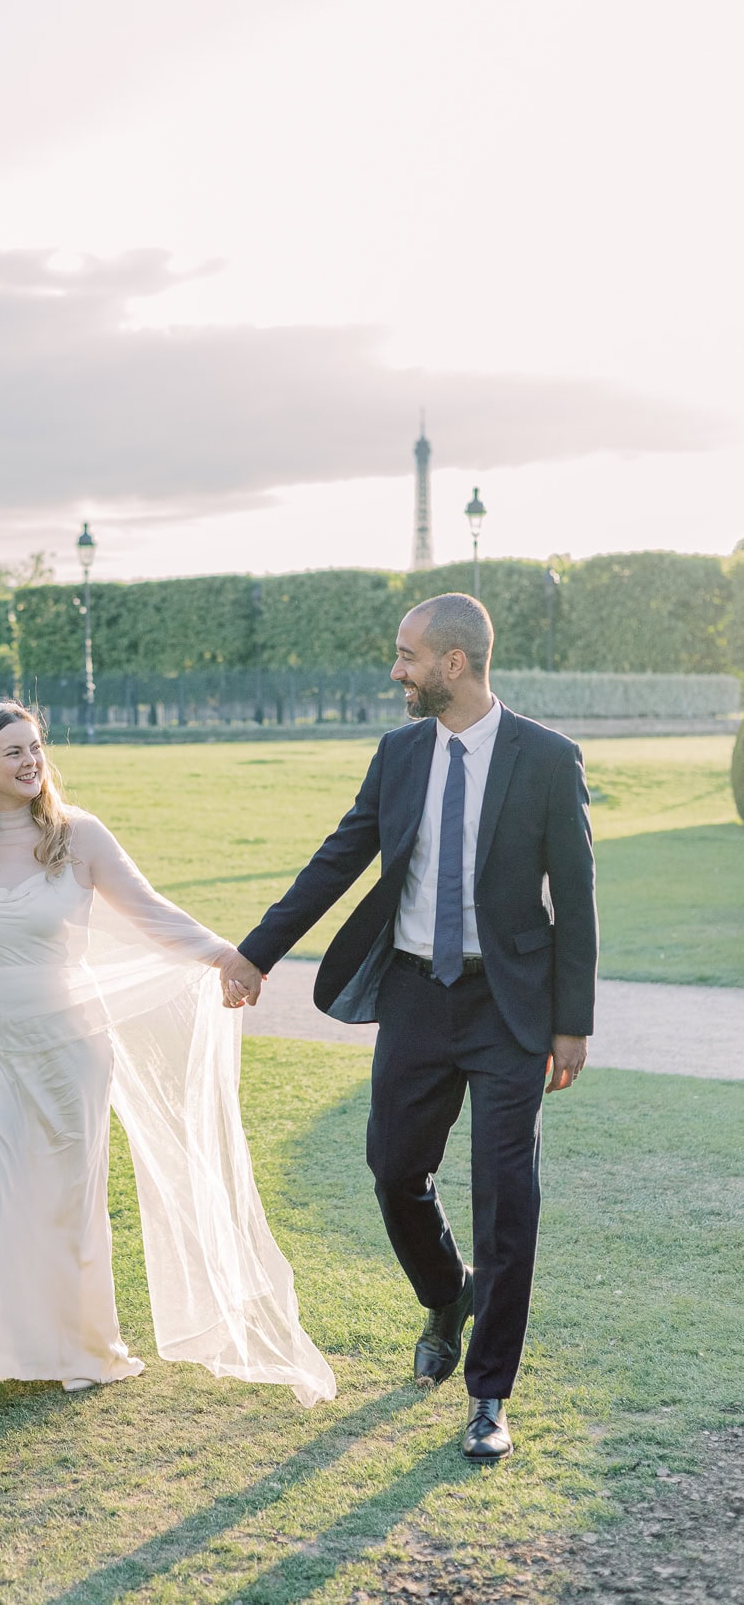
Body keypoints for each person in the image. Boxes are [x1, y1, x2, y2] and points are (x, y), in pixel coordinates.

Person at [0, 700, 334, 1419]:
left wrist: (231, 957)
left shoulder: (79, 837)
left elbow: (152, 913)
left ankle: (79, 1351)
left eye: (35, 747)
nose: (30, 761)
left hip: (68, 1050)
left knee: (66, 1203)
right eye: (12, 752)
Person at [224, 593, 597, 1463]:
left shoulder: (547, 757)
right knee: (395, 1168)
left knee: (507, 1200)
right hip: (417, 996)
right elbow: (338, 856)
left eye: (408, 656)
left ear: (453, 664)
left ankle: (489, 1395)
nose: (397, 670)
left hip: (509, 1007)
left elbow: (576, 897)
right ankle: (445, 1293)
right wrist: (255, 952)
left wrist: (571, 1023)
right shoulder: (398, 753)